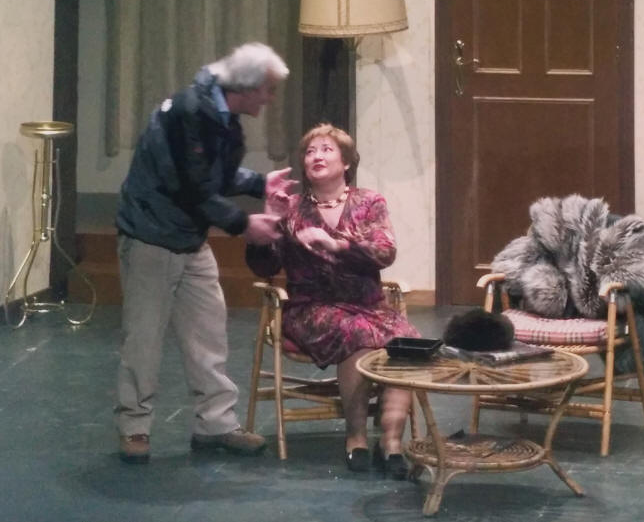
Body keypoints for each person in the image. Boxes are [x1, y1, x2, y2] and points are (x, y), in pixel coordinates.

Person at [114, 42, 289, 464]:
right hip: (152, 236)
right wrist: (244, 225)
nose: (270, 98)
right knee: (144, 339)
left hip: (189, 238)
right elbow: (191, 186)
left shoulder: (221, 116)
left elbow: (216, 174)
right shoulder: (188, 112)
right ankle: (134, 427)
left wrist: (259, 184)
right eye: (267, 89)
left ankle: (216, 424)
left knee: (209, 332)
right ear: (246, 87)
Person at [246, 123, 419, 478]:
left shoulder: (369, 202)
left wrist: (338, 245)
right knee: (357, 334)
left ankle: (391, 443)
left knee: (408, 343)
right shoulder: (291, 208)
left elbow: (385, 252)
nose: (317, 156)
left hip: (369, 305)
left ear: (346, 162)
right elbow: (264, 267)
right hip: (312, 307)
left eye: (326, 149)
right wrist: (269, 220)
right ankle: (356, 437)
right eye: (310, 152)